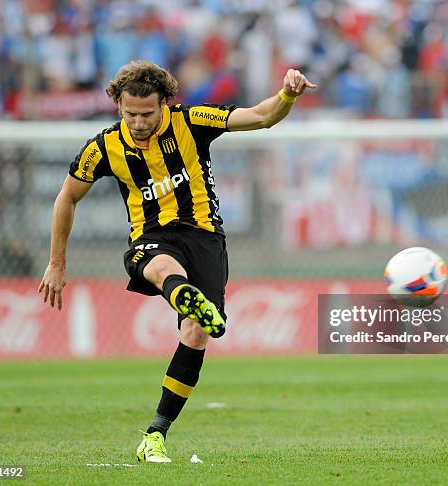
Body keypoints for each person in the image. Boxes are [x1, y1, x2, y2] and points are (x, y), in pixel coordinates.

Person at [37, 60, 316, 463]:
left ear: (166, 102)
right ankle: (182, 293)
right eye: (129, 113)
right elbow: (67, 197)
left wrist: (288, 93)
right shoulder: (102, 147)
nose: (137, 122)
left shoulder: (192, 121)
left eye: (146, 114)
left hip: (204, 237)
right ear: (118, 105)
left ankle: (156, 434)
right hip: (150, 239)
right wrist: (56, 262)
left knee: (197, 333)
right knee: (164, 266)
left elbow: (261, 116)